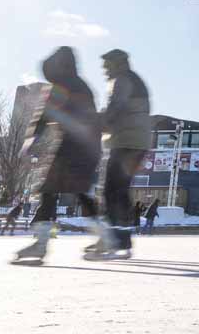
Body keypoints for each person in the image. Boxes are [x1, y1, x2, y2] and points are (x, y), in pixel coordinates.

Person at [13, 47, 101, 263]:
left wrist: (30, 140)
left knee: (50, 191)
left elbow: (44, 115)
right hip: (87, 146)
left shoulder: (64, 85)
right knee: (78, 192)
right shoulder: (81, 86)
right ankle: (105, 236)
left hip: (74, 146)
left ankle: (41, 245)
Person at [86, 49, 151, 260]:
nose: (105, 70)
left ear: (116, 64)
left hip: (126, 142)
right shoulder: (133, 79)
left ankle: (113, 240)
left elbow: (116, 108)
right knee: (120, 191)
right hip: (136, 142)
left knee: (112, 191)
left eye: (107, 66)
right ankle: (121, 241)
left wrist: (96, 124)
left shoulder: (122, 80)